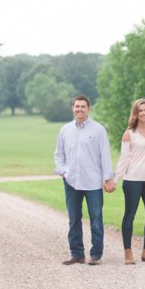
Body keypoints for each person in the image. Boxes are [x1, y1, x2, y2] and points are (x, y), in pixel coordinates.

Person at [53, 94, 114, 266]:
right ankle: (77, 254)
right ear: (72, 108)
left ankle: (95, 254)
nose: (79, 109)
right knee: (73, 218)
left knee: (96, 218)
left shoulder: (98, 130)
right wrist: (63, 172)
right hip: (71, 181)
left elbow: (105, 156)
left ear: (88, 108)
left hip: (93, 182)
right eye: (76, 106)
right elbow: (59, 154)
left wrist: (107, 178)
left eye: (83, 106)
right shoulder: (65, 130)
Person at [107, 98, 145, 265]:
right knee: (129, 215)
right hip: (132, 180)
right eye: (141, 110)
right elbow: (124, 159)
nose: (144, 113)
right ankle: (128, 252)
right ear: (136, 113)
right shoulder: (129, 134)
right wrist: (115, 179)